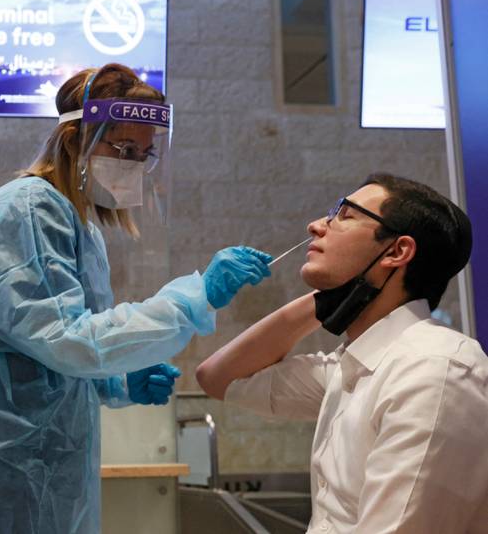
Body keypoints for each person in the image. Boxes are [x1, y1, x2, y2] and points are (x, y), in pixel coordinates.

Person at [0, 63, 273, 534]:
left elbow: (63, 349)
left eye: (144, 154)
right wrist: (194, 297)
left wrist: (119, 381)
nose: (135, 165)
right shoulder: (28, 208)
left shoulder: (78, 223)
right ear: (73, 141)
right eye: (123, 148)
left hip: (41, 450)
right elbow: (65, 340)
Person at [196, 173, 488, 533]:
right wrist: (323, 303)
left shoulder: (433, 372)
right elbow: (218, 378)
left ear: (396, 251)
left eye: (345, 216)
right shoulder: (351, 367)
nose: (317, 225)